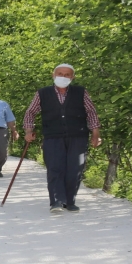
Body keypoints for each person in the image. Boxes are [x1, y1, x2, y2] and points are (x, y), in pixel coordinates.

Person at [23, 63, 101, 213]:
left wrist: (96, 134)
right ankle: (57, 201)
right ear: (53, 75)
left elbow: (91, 112)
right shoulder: (42, 93)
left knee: (75, 169)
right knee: (55, 168)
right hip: (53, 137)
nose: (63, 77)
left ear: (72, 77)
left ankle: (70, 201)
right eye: (60, 74)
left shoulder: (81, 92)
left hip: (78, 136)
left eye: (67, 75)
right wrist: (28, 130)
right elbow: (30, 113)